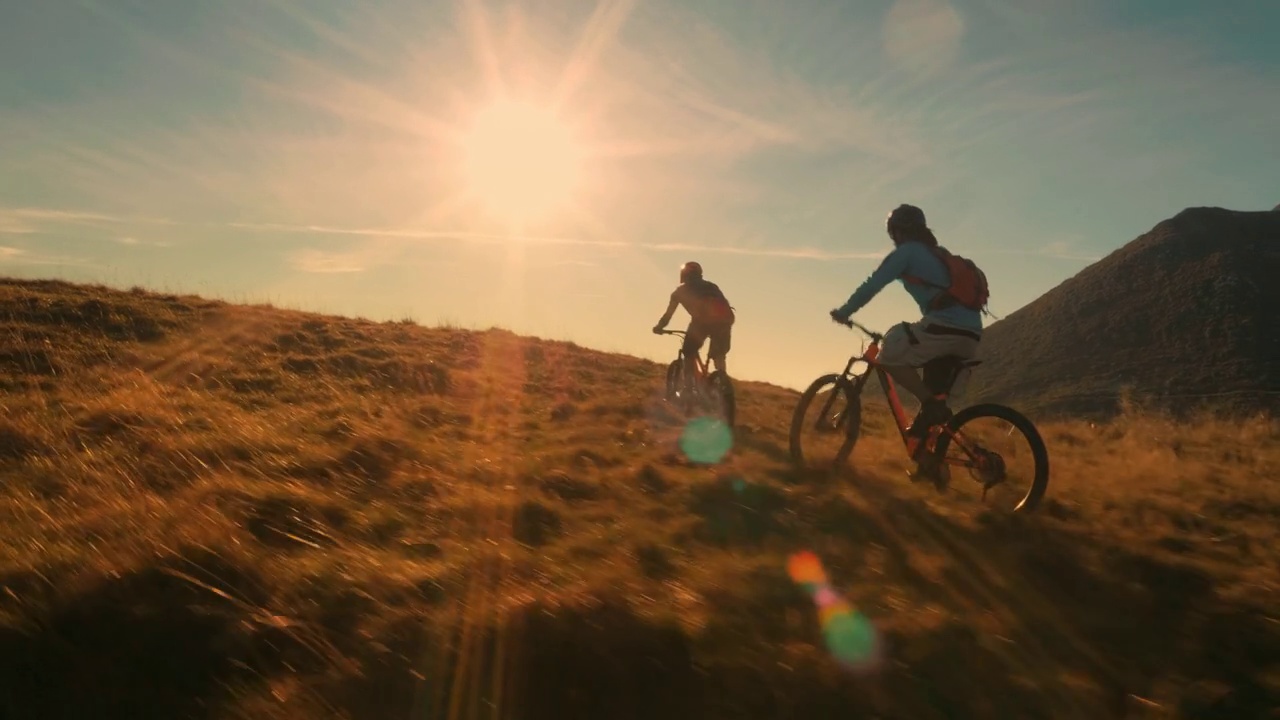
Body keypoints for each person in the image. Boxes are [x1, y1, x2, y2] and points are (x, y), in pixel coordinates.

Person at [828, 204, 985, 487]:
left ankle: (930, 408)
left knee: (890, 353)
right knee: (934, 404)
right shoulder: (936, 254)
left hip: (945, 327)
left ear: (897, 231)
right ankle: (932, 469)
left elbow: (873, 283)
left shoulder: (907, 253)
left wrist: (845, 311)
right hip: (970, 334)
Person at [653, 261, 736, 394]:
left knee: (688, 352)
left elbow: (668, 314)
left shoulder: (679, 292)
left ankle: (688, 388)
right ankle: (722, 383)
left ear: (683, 276)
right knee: (719, 355)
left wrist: (659, 326)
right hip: (725, 322)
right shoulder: (712, 286)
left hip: (701, 323)